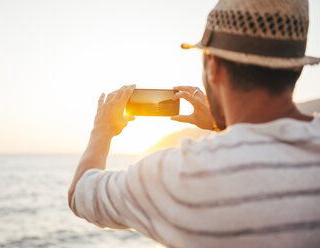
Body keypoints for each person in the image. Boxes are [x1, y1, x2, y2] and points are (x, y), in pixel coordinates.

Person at [68, 0, 320, 247]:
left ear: (214, 66)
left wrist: (102, 131)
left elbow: (80, 194)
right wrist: (219, 125)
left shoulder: (184, 174)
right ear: (296, 68)